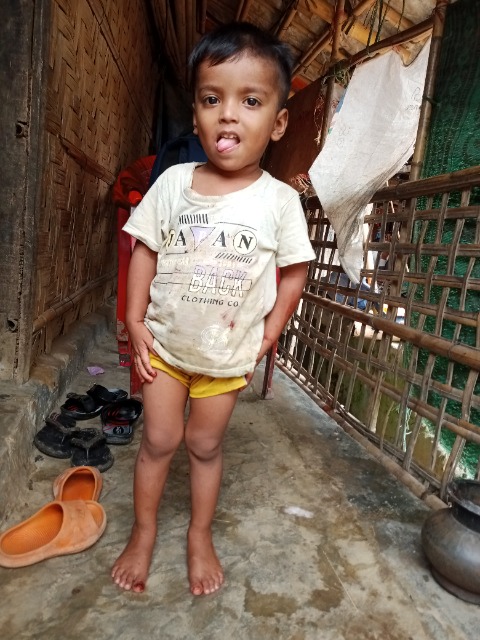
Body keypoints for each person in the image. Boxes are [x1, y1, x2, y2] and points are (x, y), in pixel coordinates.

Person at [111, 21, 315, 596]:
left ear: (277, 122)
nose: (228, 115)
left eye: (250, 101)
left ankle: (199, 534)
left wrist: (269, 335)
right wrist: (133, 320)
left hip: (226, 359)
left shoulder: (280, 201)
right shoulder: (174, 183)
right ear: (196, 115)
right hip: (165, 349)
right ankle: (144, 533)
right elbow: (145, 249)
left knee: (204, 446)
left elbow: (295, 271)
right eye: (211, 99)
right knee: (158, 441)